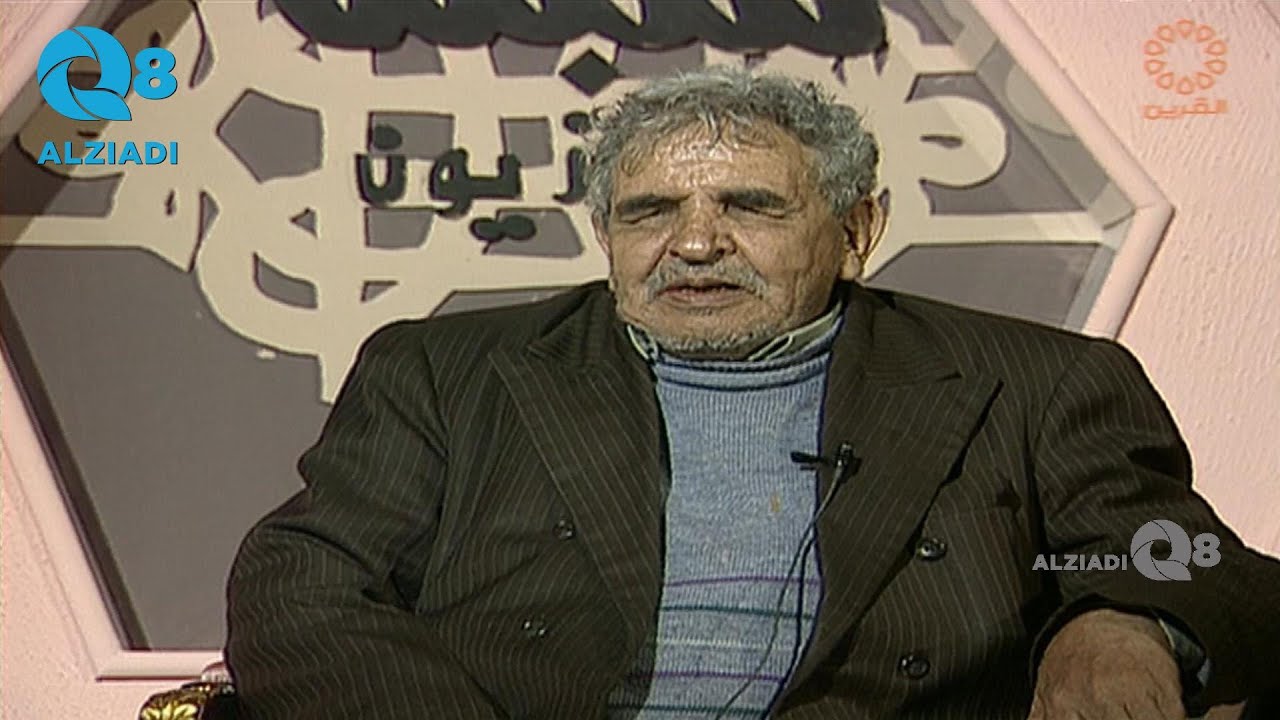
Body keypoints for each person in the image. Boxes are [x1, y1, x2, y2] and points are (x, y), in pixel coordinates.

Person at [225, 67, 1280, 719]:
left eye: (749, 206)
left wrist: (1125, 621)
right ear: (604, 234)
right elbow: (300, 581)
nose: (694, 243)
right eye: (649, 211)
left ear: (856, 231)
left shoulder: (1037, 380)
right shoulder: (445, 373)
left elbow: (1197, 564)